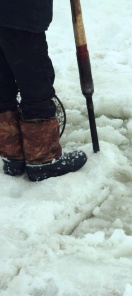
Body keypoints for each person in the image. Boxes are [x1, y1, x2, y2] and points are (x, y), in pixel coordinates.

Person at [0, 0, 87, 181]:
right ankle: (43, 159)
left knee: (3, 80)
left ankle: (13, 156)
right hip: (21, 14)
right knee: (35, 80)